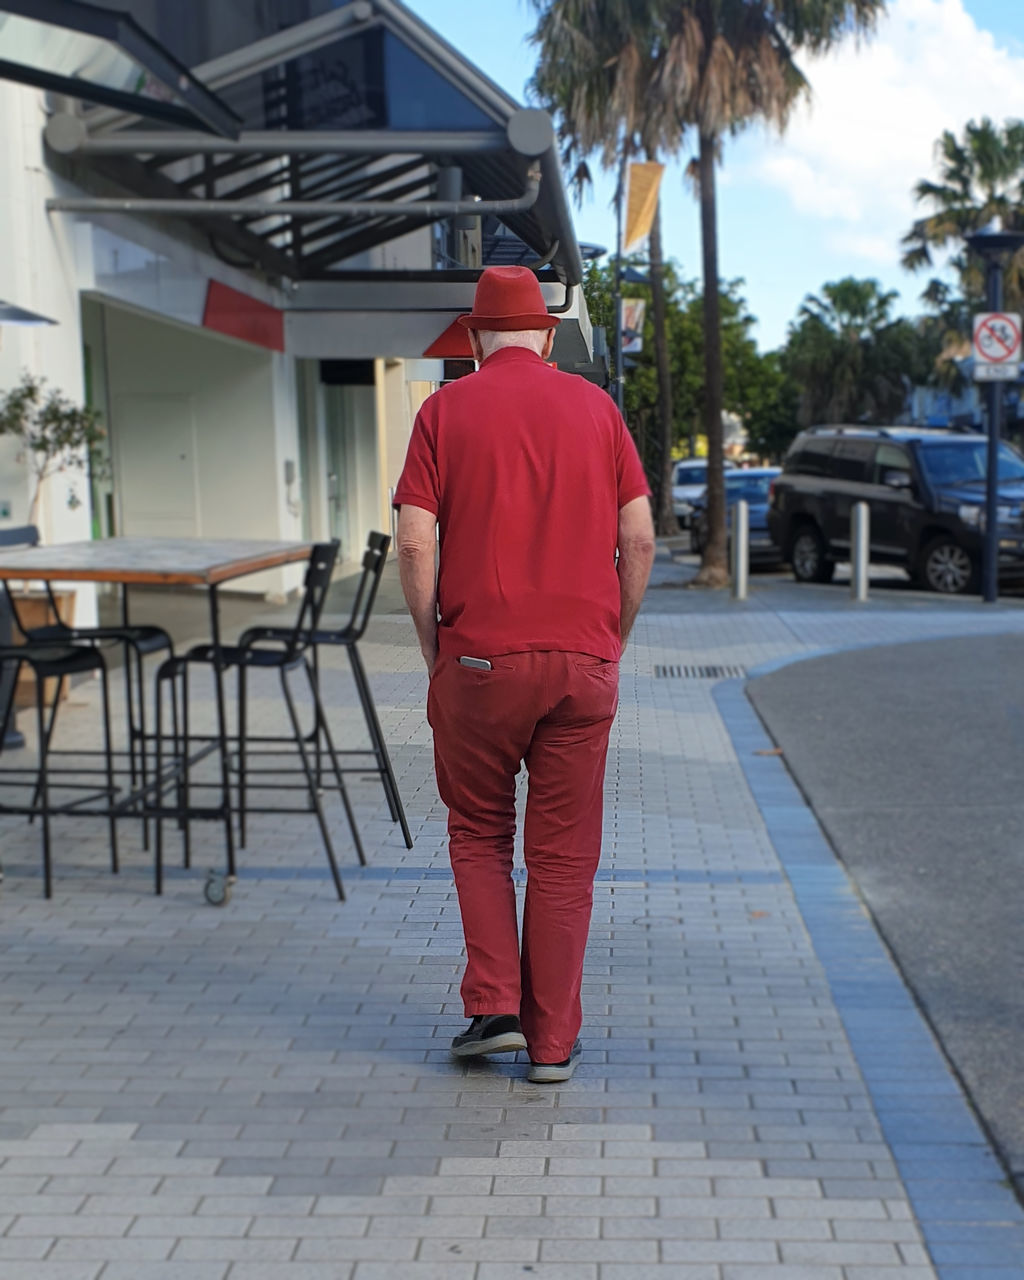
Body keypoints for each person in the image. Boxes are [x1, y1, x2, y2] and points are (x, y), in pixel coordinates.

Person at [393, 266, 656, 1083]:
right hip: (583, 663)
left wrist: (435, 647)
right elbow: (640, 540)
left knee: (478, 832)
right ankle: (550, 1046)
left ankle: (494, 1005)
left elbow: (412, 542)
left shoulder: (441, 412)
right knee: (565, 857)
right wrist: (612, 634)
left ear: (474, 341)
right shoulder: (599, 411)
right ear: (546, 337)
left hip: (478, 659)